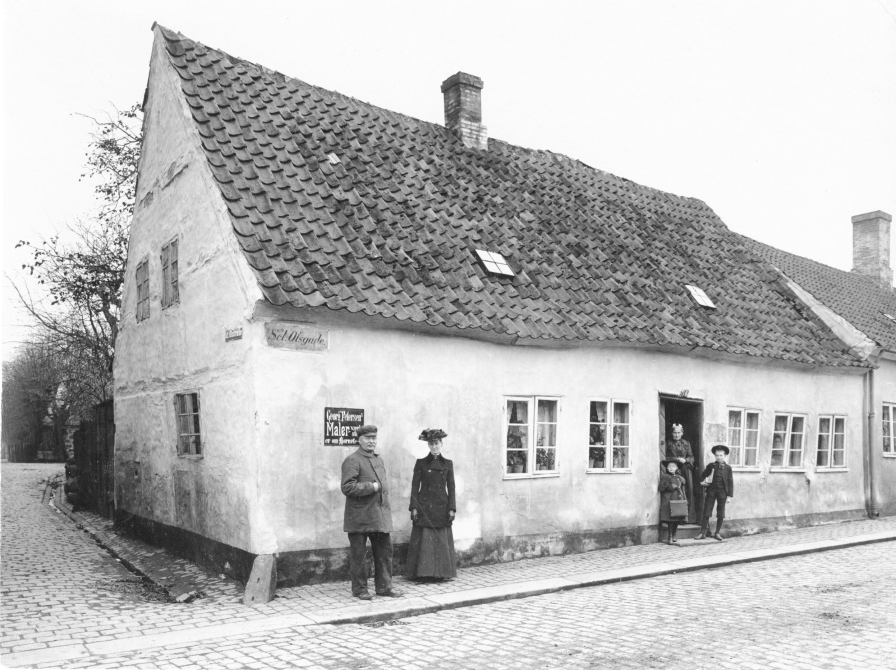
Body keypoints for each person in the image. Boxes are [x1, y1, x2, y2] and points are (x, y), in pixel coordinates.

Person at [341, 425, 404, 600]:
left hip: (379, 517)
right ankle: (360, 590)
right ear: (359, 440)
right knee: (359, 556)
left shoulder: (378, 459)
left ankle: (384, 588)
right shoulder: (352, 460)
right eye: (367, 438)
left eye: (374, 438)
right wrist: (372, 486)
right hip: (359, 518)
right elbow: (347, 487)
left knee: (384, 553)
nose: (371, 441)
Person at [406, 429, 457, 580]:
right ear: (428, 445)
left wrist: (452, 508)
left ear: (441, 444)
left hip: (442, 505)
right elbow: (415, 487)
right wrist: (414, 507)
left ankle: (441, 573)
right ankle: (423, 572)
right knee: (424, 539)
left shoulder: (448, 464)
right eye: (431, 444)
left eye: (436, 443)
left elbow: (452, 488)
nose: (434, 447)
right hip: (424, 505)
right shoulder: (421, 463)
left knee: (440, 537)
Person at [696, 445, 734, 541]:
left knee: (721, 513)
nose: (719, 457)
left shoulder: (728, 468)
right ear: (715, 456)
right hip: (711, 491)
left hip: (722, 492)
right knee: (707, 511)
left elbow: (730, 482)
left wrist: (729, 496)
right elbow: (703, 475)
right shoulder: (711, 466)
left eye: (721, 455)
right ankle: (702, 533)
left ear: (725, 456)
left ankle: (717, 533)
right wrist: (701, 482)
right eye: (717, 455)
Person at [665, 424, 696, 523]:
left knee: (687, 492)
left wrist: (686, 460)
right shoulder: (668, 443)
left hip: (686, 470)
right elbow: (664, 457)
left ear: (682, 433)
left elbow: (692, 457)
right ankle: (675, 519)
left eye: (679, 432)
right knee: (676, 492)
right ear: (671, 433)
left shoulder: (686, 443)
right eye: (674, 432)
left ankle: (687, 518)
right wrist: (675, 460)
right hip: (674, 470)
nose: (677, 435)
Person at [659, 459, 687, 546]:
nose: (671, 468)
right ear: (667, 468)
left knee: (677, 518)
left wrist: (684, 499)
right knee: (671, 519)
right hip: (669, 500)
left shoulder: (680, 478)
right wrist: (670, 486)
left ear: (677, 468)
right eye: (669, 466)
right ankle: (670, 537)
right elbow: (661, 488)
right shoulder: (665, 477)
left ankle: (674, 535)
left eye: (673, 466)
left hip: (678, 499)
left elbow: (683, 490)